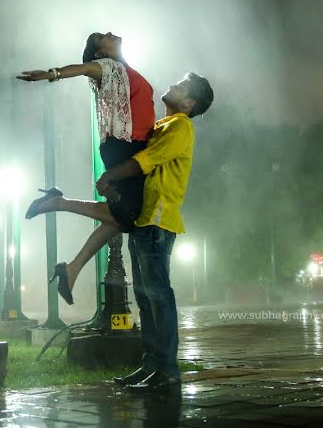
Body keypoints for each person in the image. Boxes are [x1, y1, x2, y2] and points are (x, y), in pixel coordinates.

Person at [25, 72, 214, 393]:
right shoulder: (162, 126)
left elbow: (147, 160)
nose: (174, 85)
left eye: (181, 86)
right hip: (143, 219)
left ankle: (166, 369)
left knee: (158, 295)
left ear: (190, 103)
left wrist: (110, 176)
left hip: (157, 220)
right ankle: (151, 365)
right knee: (144, 296)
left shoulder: (180, 126)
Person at [17, 32, 155, 304]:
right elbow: (79, 69)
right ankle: (59, 203)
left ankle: (73, 268)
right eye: (102, 37)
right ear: (99, 53)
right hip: (124, 147)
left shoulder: (124, 71)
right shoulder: (105, 67)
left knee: (121, 216)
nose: (110, 33)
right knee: (130, 215)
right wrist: (50, 74)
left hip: (132, 146)